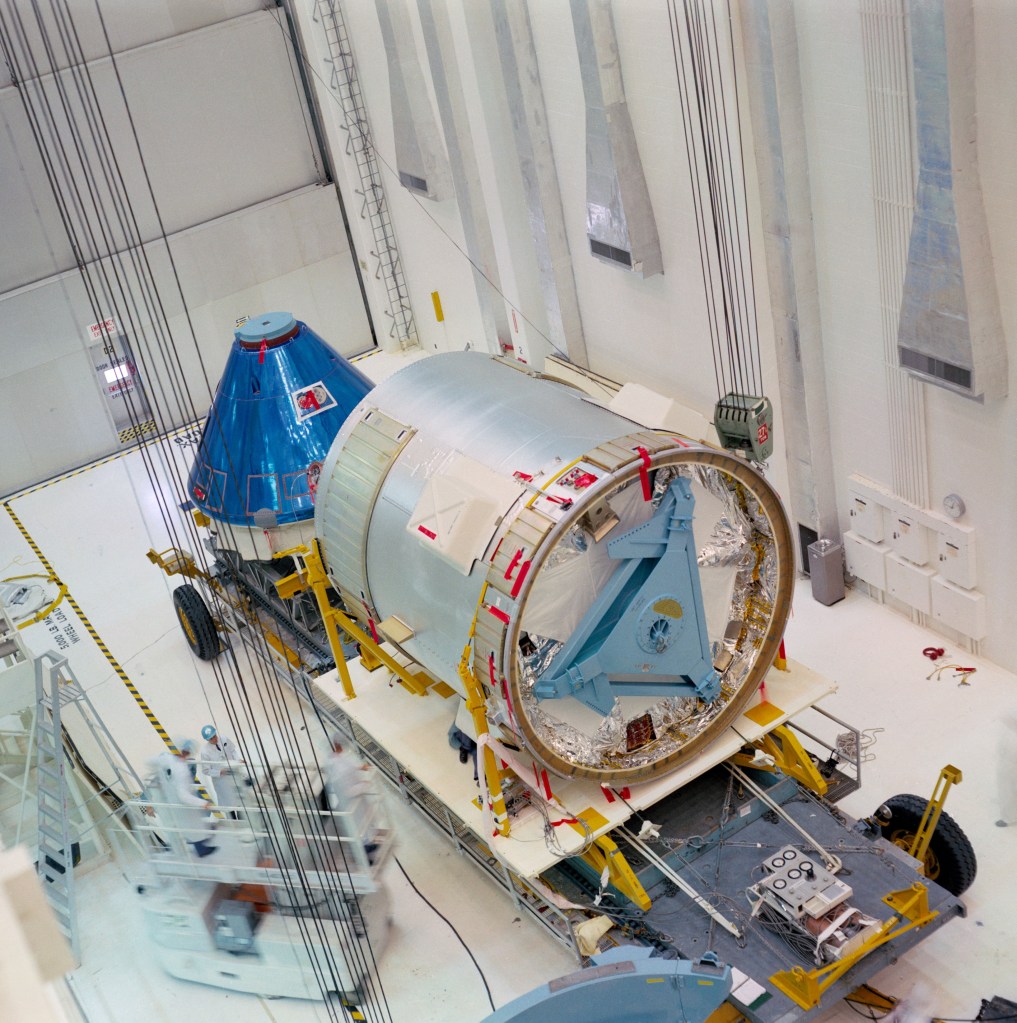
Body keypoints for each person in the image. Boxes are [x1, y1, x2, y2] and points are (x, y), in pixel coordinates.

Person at [321, 733, 377, 860]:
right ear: (337, 744)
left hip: (356, 799)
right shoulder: (337, 767)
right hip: (352, 802)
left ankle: (368, 846)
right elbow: (347, 790)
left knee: (366, 823)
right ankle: (365, 857)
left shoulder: (335, 758)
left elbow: (347, 765)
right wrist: (364, 785)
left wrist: (360, 767)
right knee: (360, 826)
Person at [160, 738, 217, 857]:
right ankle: (201, 849)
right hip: (184, 803)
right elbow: (184, 795)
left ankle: (200, 841)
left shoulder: (171, 761)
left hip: (178, 802)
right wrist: (203, 803)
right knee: (193, 825)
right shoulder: (181, 769)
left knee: (191, 825)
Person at [198, 724, 243, 810]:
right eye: (211, 739)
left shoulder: (224, 739)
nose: (214, 739)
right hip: (221, 780)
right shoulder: (205, 752)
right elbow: (205, 770)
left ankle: (242, 819)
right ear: (207, 739)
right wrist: (219, 772)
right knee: (228, 804)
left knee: (239, 800)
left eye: (214, 736)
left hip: (233, 773)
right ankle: (233, 820)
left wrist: (238, 760)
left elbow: (233, 751)